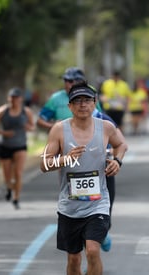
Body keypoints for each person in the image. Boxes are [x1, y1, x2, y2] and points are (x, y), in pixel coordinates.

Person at [40, 83, 127, 274]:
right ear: (69, 106)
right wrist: (66, 158)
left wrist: (117, 161)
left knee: (93, 251)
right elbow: (44, 164)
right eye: (77, 101)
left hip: (98, 203)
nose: (82, 105)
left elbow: (121, 144)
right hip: (69, 206)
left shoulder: (105, 127)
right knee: (73, 259)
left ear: (94, 103)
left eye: (87, 100)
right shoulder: (59, 130)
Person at [0, 87, 35, 209]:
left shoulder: (26, 111)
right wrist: (4, 133)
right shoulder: (2, 111)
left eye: (17, 98)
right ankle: (9, 188)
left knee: (18, 173)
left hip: (20, 145)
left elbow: (32, 126)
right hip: (5, 145)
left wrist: (28, 127)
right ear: (9, 99)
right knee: (7, 174)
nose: (14, 100)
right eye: (12, 98)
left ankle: (16, 198)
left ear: (21, 99)